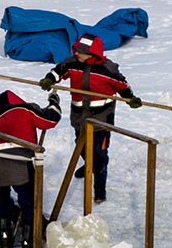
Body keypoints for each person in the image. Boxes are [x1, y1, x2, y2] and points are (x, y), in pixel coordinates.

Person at [39, 35, 142, 203]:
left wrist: (131, 99)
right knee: (82, 148)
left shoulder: (108, 69)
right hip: (79, 117)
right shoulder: (72, 63)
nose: (77, 54)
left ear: (92, 53)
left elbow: (122, 86)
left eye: (81, 52)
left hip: (101, 120)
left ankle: (99, 190)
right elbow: (58, 71)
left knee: (100, 154)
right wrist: (49, 80)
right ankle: (90, 164)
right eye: (77, 50)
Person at [0, 90, 61, 248]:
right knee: (30, 205)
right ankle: (29, 247)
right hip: (20, 162)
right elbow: (50, 119)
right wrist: (54, 102)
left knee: (3, 205)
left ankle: (5, 244)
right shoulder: (23, 109)